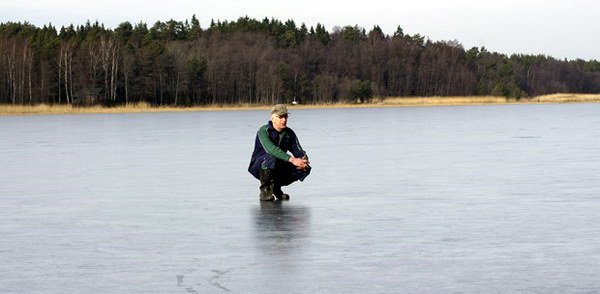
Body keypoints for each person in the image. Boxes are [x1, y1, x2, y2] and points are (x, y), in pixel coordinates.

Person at [248, 104, 311, 201]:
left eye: (285, 117)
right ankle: (265, 190)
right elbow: (271, 149)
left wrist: (304, 159)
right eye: (280, 117)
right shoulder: (264, 131)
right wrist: (292, 159)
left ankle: (276, 187)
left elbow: (297, 149)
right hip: (260, 165)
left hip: (278, 165)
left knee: (305, 168)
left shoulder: (289, 133)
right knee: (270, 158)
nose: (284, 120)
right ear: (273, 118)